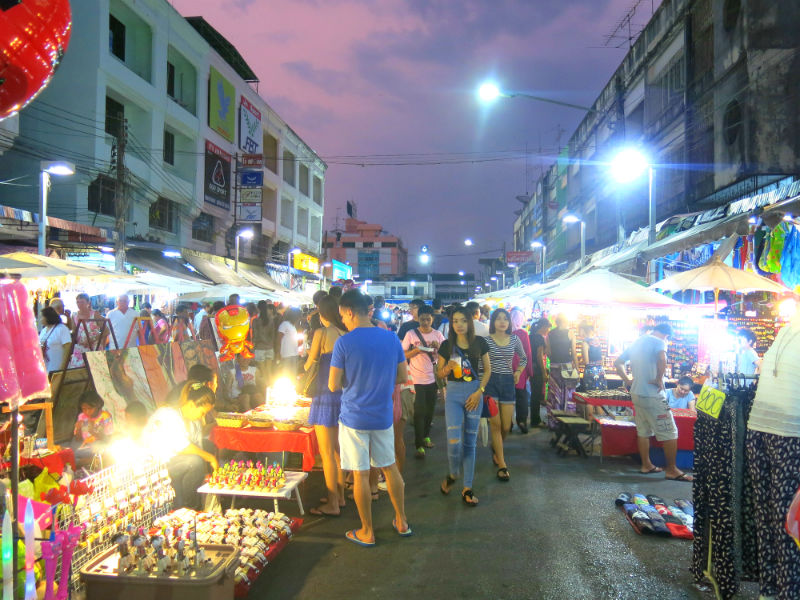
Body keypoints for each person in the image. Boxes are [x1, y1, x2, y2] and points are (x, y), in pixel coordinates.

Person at [329, 290, 411, 546]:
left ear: (350, 311)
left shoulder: (344, 342)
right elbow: (401, 376)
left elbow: (333, 384)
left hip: (354, 417)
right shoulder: (391, 339)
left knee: (361, 475)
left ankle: (367, 531)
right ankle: (401, 521)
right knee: (390, 468)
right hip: (382, 415)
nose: (343, 320)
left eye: (343, 315)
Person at [745, 312, 800, 599]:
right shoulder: (785, 330)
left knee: (786, 518)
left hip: (792, 433)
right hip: (759, 428)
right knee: (763, 515)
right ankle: (768, 588)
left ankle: (788, 591)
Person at [614, 323, 692, 481]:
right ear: (666, 335)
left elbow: (618, 362)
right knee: (670, 431)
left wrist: (627, 380)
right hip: (653, 394)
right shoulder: (659, 342)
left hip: (636, 392)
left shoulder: (637, 341)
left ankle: (646, 464)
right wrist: (658, 379)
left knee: (643, 430)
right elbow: (662, 359)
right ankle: (672, 469)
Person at [437, 306, 491, 506]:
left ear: (470, 322)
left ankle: (467, 487)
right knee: (454, 441)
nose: (459, 325)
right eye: (455, 321)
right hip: (453, 395)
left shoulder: (480, 343)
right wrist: (447, 368)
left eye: (463, 320)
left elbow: (487, 370)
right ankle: (453, 473)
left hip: (474, 394)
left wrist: (479, 392)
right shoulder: (446, 345)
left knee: (470, 442)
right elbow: (439, 374)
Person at [143, 382, 218, 510]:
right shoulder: (169, 415)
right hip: (156, 467)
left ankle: (193, 504)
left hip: (174, 463)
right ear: (191, 405)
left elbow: (196, 446)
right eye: (202, 412)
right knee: (194, 462)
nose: (203, 417)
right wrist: (210, 458)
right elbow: (182, 447)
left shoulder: (191, 421)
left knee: (206, 448)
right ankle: (190, 507)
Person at [305, 295, 348, 517]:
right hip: (342, 396)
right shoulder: (345, 334)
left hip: (323, 395)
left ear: (322, 313)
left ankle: (332, 503)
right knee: (338, 451)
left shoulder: (321, 333)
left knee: (327, 453)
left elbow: (309, 364)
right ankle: (339, 496)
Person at [484, 308, 527, 481]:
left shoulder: (515, 339)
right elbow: (482, 365)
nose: (502, 322)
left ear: (509, 323)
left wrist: (518, 372)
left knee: (506, 426)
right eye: (498, 319)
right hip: (491, 384)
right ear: (493, 322)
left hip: (508, 383)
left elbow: (523, 358)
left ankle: (497, 447)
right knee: (495, 425)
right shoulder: (486, 341)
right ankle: (502, 464)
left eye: (505, 319)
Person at [402, 305, 445, 459]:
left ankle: (426, 436)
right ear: (418, 319)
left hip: (433, 378)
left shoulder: (438, 334)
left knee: (429, 410)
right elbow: (402, 353)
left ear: (432, 319)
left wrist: (438, 348)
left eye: (428, 318)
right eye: (422, 319)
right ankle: (419, 444)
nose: (426, 322)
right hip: (416, 379)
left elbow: (446, 354)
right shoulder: (411, 334)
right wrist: (415, 351)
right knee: (419, 412)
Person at [544, 314, 578, 428]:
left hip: (554, 367)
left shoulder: (550, 334)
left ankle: (554, 420)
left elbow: (548, 352)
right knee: (567, 393)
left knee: (554, 393)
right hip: (567, 367)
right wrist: (577, 368)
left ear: (556, 322)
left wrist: (554, 360)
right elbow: (573, 352)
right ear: (566, 321)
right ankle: (567, 419)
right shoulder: (571, 333)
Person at [72, 390, 114, 463]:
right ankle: (90, 462)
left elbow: (107, 438)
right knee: (73, 456)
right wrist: (78, 429)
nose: (87, 412)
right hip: (87, 447)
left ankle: (91, 462)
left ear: (97, 405)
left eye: (90, 408)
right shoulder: (82, 417)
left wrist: (93, 431)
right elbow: (78, 439)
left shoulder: (105, 416)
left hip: (102, 446)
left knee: (103, 454)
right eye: (84, 409)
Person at [510, 308, 534, 433]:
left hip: (506, 368)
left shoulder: (505, 332)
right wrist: (529, 371)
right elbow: (528, 354)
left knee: (507, 397)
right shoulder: (523, 334)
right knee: (521, 396)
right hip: (521, 369)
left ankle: (507, 422)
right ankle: (521, 421)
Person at [69, 293, 105, 368]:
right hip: (81, 346)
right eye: (78, 302)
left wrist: (93, 339)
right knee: (78, 370)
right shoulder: (74, 315)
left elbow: (106, 330)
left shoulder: (95, 314)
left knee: (96, 369)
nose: (79, 304)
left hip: (95, 346)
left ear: (88, 303)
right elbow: (74, 331)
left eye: (82, 302)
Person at [528, 318, 550, 428]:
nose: (548, 331)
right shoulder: (540, 338)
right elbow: (539, 356)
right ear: (543, 327)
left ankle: (534, 419)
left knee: (534, 395)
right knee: (536, 395)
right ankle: (535, 420)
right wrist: (543, 373)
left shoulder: (530, 336)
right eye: (547, 328)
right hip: (537, 368)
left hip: (530, 367)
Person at [39, 306, 72, 372]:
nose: (40, 319)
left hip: (58, 369)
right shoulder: (43, 331)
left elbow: (68, 348)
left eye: (42, 317)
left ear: (48, 317)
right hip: (46, 369)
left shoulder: (62, 328)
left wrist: (62, 367)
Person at [252, 300, 276, 386]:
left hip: (260, 348)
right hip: (269, 347)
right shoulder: (271, 320)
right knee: (268, 369)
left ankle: (265, 387)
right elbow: (273, 335)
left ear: (258, 309)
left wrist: (253, 347)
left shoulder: (256, 321)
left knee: (262, 370)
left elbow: (255, 335)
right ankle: (271, 386)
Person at [579, 322, 607, 392]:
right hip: (601, 371)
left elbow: (586, 362)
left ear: (582, 330)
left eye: (578, 330)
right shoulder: (597, 341)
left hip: (591, 372)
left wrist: (576, 364)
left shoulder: (585, 342)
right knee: (600, 397)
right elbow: (601, 358)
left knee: (590, 397)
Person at [277, 308, 302, 380]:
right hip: (286, 354)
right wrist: (278, 352)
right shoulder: (284, 324)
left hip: (294, 354)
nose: (299, 319)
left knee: (293, 374)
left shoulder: (293, 326)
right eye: (298, 316)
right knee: (286, 374)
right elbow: (279, 338)